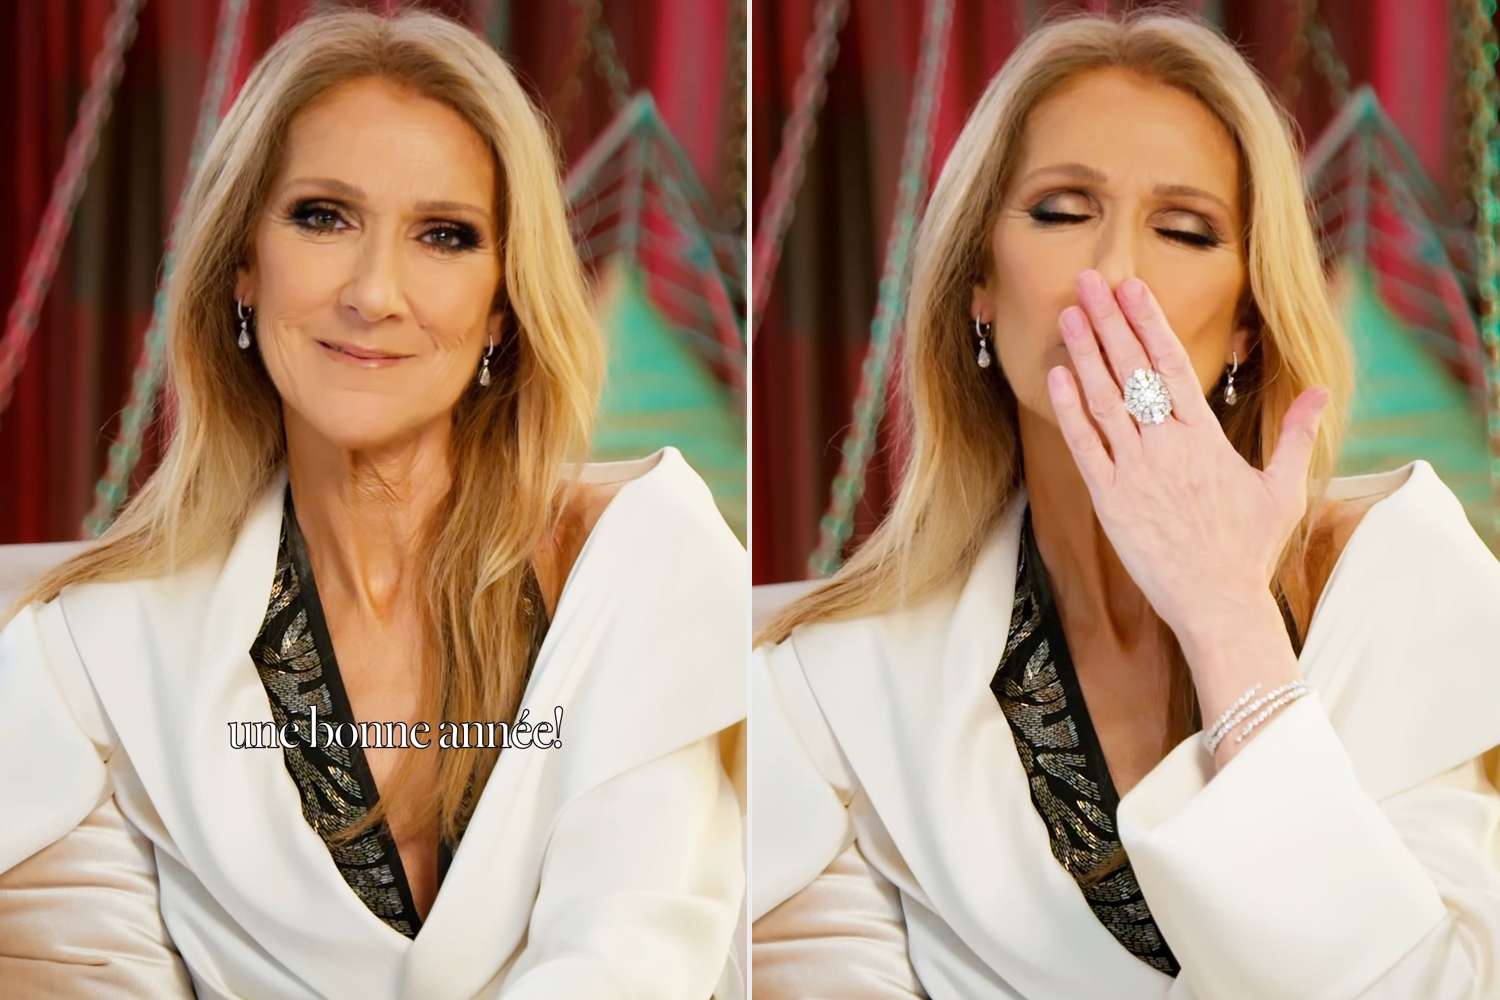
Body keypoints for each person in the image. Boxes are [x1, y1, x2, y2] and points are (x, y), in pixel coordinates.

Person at [751, 9, 1499, 999]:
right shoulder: (838, 690)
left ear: (1247, 324)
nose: (1110, 276)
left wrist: (1226, 615)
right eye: (1062, 213)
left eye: (1184, 231)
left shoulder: (1394, 577)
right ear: (979, 286)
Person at [0, 9, 746, 999]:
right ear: (242, 266)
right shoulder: (98, 650)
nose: (375, 292)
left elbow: (632, 956)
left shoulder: (641, 557)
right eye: (323, 217)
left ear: (501, 305)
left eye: (444, 235)